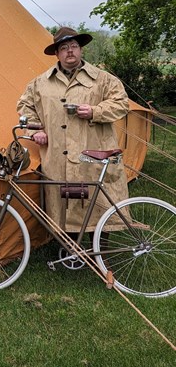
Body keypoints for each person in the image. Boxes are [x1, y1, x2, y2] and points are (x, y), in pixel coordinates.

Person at [17, 26, 129, 234]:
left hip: (93, 150)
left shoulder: (103, 79)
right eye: (64, 47)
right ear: (57, 54)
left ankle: (101, 249)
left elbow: (121, 103)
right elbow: (25, 107)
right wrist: (35, 131)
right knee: (63, 201)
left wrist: (95, 111)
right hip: (57, 153)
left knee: (99, 201)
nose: (70, 51)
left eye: (74, 46)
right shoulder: (40, 83)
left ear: (81, 50)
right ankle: (70, 249)